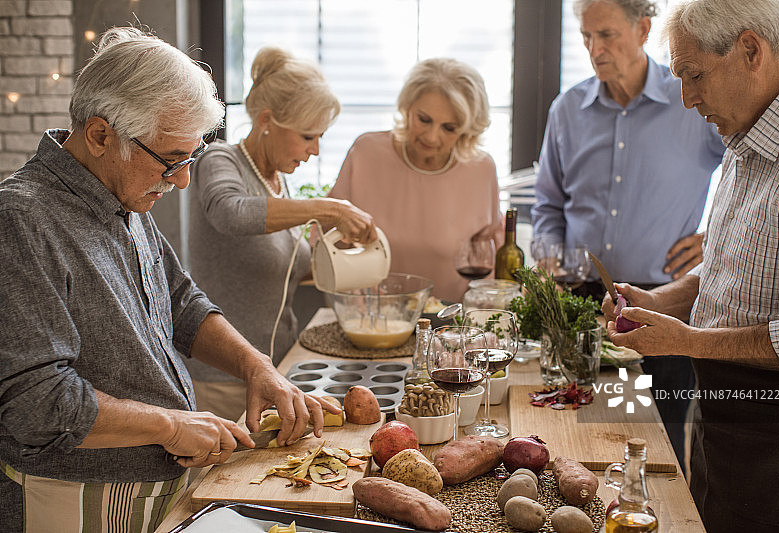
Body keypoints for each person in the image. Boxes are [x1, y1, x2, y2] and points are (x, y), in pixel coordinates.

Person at [0, 28, 338, 533]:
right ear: (100, 135)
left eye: (189, 160)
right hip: (73, 497)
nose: (181, 180)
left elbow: (182, 303)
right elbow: (36, 403)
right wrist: (173, 424)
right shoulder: (20, 219)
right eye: (170, 159)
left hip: (150, 488)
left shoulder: (124, 196)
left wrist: (255, 366)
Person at [606, 0, 779, 530]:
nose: (686, 100)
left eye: (694, 76)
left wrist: (688, 341)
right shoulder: (743, 134)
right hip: (720, 412)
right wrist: (660, 300)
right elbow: (726, 263)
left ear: (751, 50)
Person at [531, 0, 726, 471]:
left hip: (667, 304)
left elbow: (748, 174)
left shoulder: (693, 102)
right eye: (586, 37)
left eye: (607, 35)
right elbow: (548, 206)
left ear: (642, 29)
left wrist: (716, 236)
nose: (594, 49)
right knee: (572, 439)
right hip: (580, 303)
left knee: (650, 450)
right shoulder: (567, 110)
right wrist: (548, 256)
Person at [186, 47, 376, 421]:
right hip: (224, 380)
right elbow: (231, 212)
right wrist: (330, 207)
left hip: (277, 371)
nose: (316, 150)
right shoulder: (220, 160)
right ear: (268, 120)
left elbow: (284, 269)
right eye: (308, 136)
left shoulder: (278, 184)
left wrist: (344, 254)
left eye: (321, 137)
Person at [328, 57, 503, 303]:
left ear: (467, 130)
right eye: (424, 119)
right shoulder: (366, 153)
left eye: (449, 128)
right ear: (407, 106)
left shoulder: (481, 169)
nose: (432, 137)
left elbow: (489, 258)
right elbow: (330, 242)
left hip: (450, 325)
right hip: (371, 319)